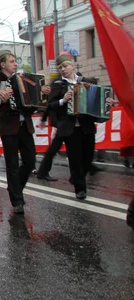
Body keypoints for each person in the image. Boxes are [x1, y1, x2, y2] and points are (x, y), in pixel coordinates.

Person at [47, 55, 115, 199]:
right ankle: (80, 188)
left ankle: (76, 178)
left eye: (65, 66)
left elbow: (98, 99)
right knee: (75, 158)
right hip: (70, 129)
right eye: (60, 68)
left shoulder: (86, 82)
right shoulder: (58, 85)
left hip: (86, 126)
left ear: (73, 66)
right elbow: (50, 105)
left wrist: (107, 102)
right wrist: (63, 100)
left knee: (88, 157)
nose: (63, 70)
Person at [0, 50, 51, 214]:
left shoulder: (22, 79)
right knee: (12, 164)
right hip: (8, 127)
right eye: (12, 61)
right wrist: (1, 99)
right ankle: (17, 200)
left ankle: (14, 187)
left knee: (30, 161)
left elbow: (36, 104)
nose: (15, 64)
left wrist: (42, 94)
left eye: (15, 61)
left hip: (25, 125)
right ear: (3, 65)